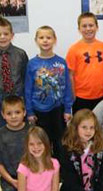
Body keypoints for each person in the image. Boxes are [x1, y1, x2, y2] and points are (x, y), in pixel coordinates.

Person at [25, 26, 73, 160]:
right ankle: (44, 169)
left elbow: (67, 87)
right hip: (38, 110)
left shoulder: (61, 62)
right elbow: (28, 89)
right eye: (41, 38)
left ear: (54, 40)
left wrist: (68, 109)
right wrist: (29, 111)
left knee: (60, 142)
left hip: (58, 109)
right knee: (42, 142)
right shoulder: (32, 64)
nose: (45, 41)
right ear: (36, 40)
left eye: (48, 37)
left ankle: (60, 170)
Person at [0, 16, 28, 129]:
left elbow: (25, 76)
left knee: (22, 129)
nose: (2, 37)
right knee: (2, 129)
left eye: (6, 34)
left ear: (12, 35)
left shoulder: (21, 54)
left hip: (18, 97)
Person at [66, 12, 103, 113]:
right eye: (84, 26)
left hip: (102, 95)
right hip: (81, 97)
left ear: (97, 27)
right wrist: (73, 96)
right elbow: (70, 75)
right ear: (79, 29)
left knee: (100, 126)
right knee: (82, 126)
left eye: (91, 25)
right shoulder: (74, 49)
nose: (88, 29)